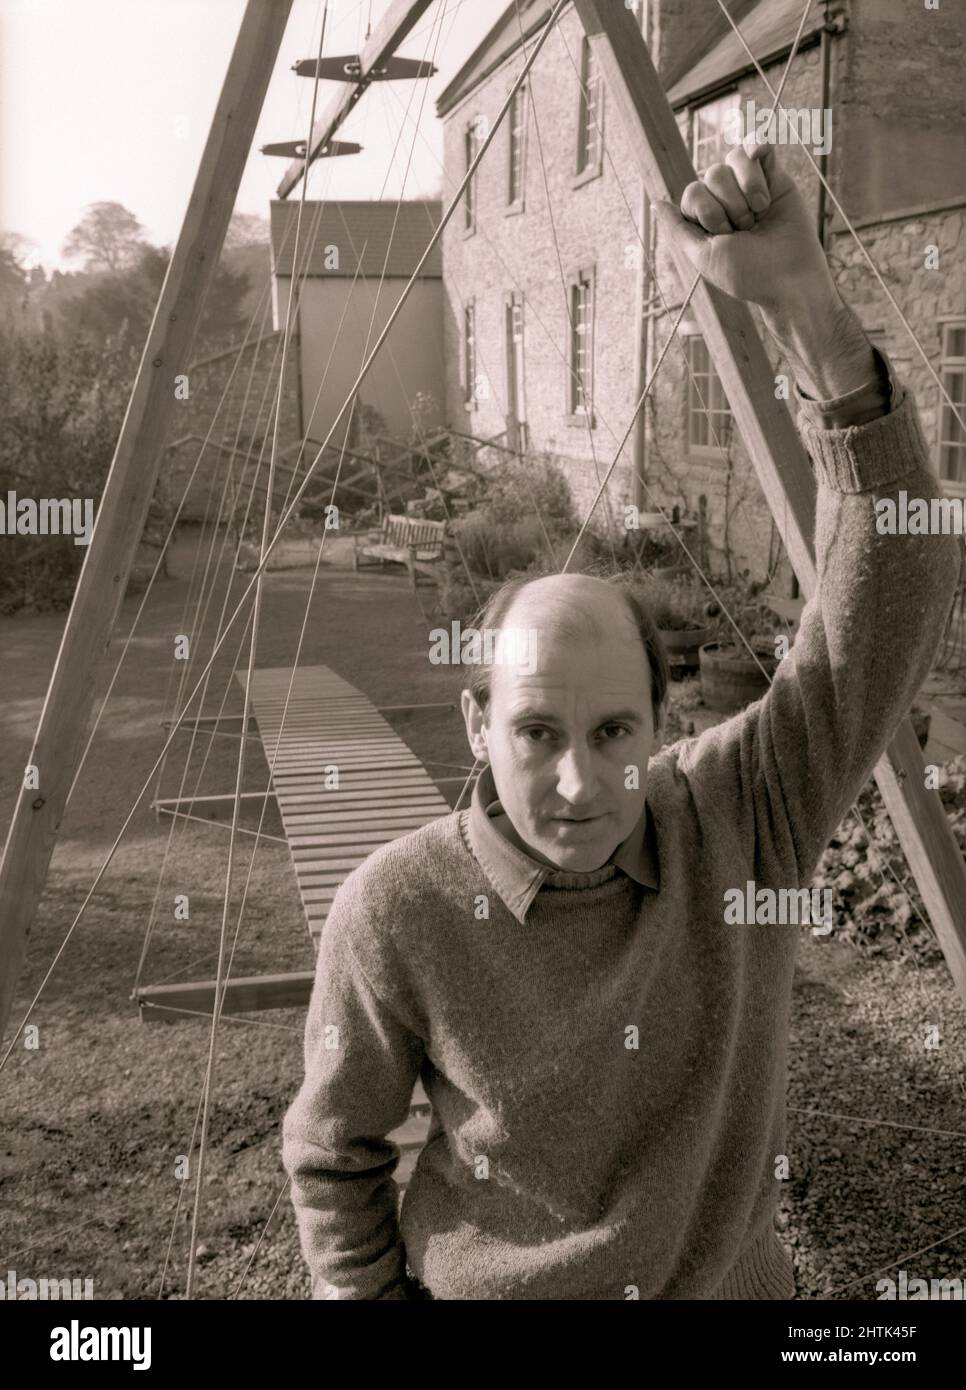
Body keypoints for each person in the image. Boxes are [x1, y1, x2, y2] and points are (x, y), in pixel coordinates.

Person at [281, 142, 960, 1300]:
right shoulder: (393, 909)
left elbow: (890, 588)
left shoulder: (738, 818)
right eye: (537, 734)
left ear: (661, 727)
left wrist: (809, 308)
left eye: (613, 735)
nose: (581, 783)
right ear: (475, 726)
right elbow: (332, 1157)